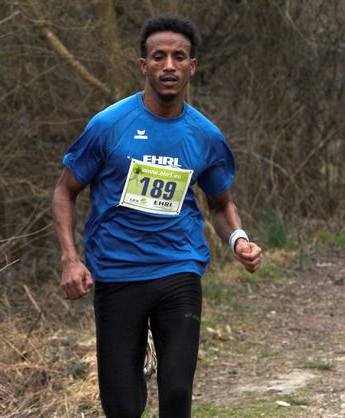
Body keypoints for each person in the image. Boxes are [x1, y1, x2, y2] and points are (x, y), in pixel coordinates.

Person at [52, 14, 263, 418]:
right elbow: (65, 191)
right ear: (143, 65)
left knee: (178, 390)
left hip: (178, 268)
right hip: (118, 272)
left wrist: (239, 241)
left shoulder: (205, 136)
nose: (169, 65)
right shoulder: (109, 126)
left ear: (192, 66)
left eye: (178, 57)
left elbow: (220, 203)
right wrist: (70, 257)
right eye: (159, 56)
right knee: (122, 405)